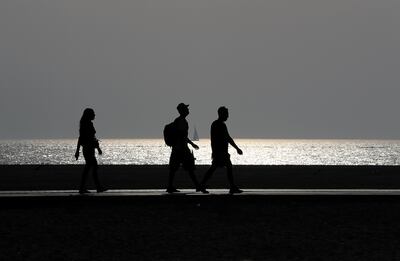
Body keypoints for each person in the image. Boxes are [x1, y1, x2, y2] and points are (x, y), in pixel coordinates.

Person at [200, 106, 243, 194]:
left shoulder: (217, 124)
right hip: (220, 152)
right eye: (226, 114)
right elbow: (227, 138)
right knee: (227, 167)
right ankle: (232, 187)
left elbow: (225, 138)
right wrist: (237, 148)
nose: (227, 116)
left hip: (219, 152)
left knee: (214, 168)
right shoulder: (219, 125)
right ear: (221, 114)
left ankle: (202, 184)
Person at [167, 103, 205, 193]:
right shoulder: (181, 121)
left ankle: (170, 186)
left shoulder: (182, 121)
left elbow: (183, 136)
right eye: (186, 109)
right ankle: (197, 186)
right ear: (182, 111)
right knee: (187, 168)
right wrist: (190, 144)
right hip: (181, 149)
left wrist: (191, 144)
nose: (188, 110)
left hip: (179, 148)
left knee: (177, 168)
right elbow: (182, 135)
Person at [75, 108, 107, 194]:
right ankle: (95, 187)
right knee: (92, 167)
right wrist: (77, 151)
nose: (94, 115)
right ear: (89, 115)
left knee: (91, 167)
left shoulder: (88, 124)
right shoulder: (85, 124)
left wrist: (98, 148)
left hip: (90, 148)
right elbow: (81, 138)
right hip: (87, 149)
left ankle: (85, 188)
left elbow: (93, 138)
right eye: (93, 114)